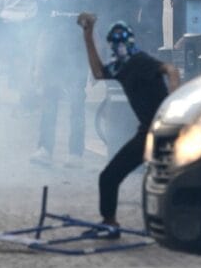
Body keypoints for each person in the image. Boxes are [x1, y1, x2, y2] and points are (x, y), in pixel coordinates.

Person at [76, 14, 180, 237]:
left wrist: (174, 98)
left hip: (162, 131)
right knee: (109, 177)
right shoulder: (121, 68)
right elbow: (97, 72)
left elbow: (170, 69)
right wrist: (87, 35)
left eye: (122, 43)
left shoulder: (140, 61)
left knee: (171, 178)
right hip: (147, 132)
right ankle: (110, 223)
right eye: (116, 43)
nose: (120, 47)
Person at [31, 0, 88, 167]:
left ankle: (76, 154)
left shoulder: (85, 3)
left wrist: (98, 66)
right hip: (53, 61)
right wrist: (38, 65)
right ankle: (44, 149)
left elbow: (93, 35)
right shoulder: (51, 3)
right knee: (49, 104)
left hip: (78, 62)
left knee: (76, 106)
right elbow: (43, 35)